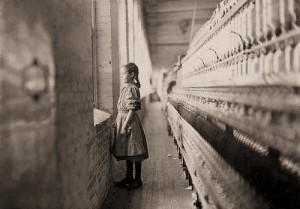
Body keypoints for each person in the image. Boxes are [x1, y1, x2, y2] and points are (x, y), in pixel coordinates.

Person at [112, 62, 149, 190]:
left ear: (132, 74)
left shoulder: (132, 88)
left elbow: (132, 110)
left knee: (135, 150)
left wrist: (124, 125)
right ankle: (129, 177)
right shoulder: (126, 87)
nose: (122, 76)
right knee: (128, 150)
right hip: (123, 118)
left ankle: (138, 179)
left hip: (130, 121)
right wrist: (118, 121)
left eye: (124, 74)